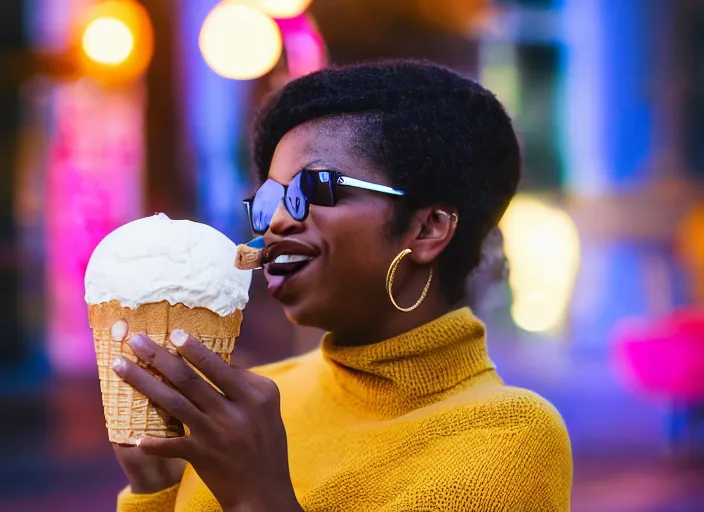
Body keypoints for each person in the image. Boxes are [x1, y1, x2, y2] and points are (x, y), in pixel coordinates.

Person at [111, 60, 572, 512]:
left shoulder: (510, 436)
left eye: (313, 189)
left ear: (429, 229)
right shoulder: (253, 399)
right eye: (268, 199)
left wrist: (257, 495)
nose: (275, 221)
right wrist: (155, 488)